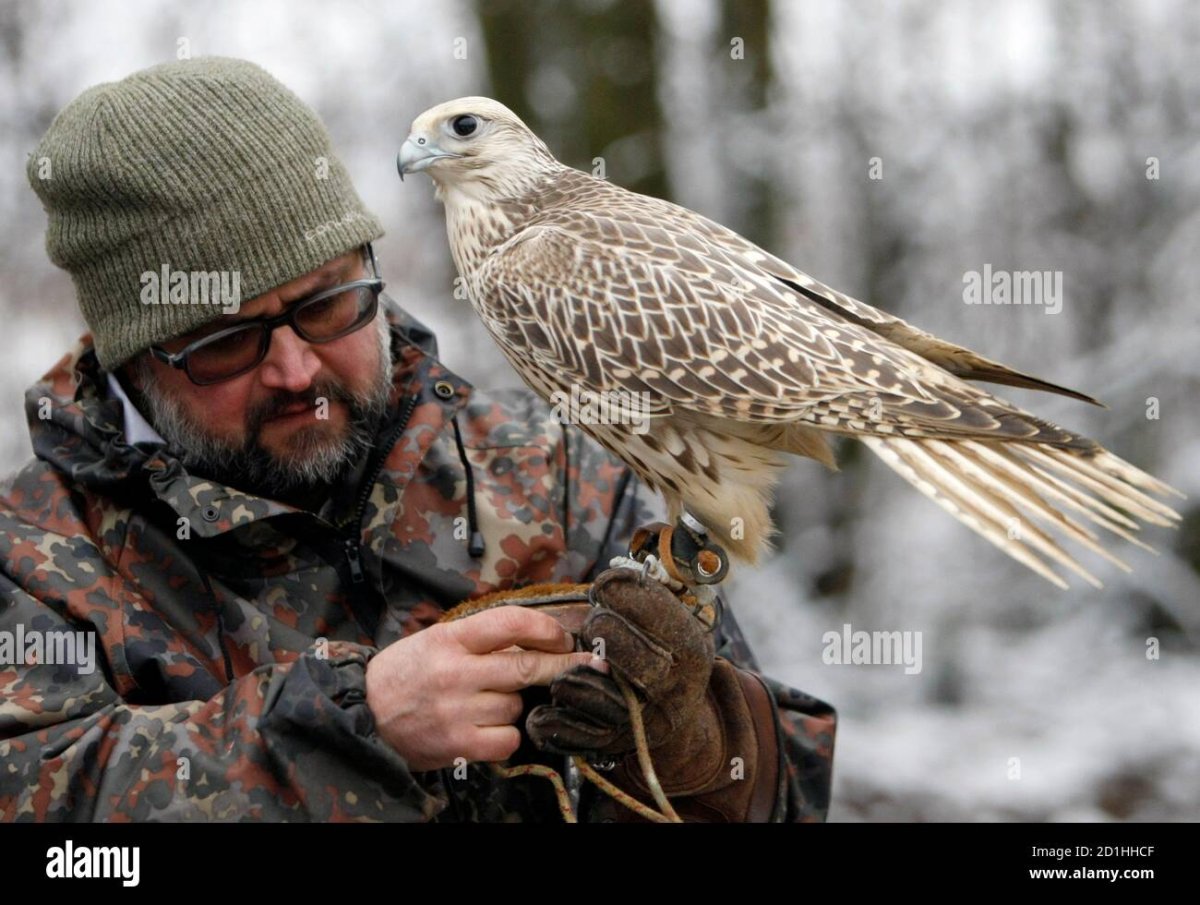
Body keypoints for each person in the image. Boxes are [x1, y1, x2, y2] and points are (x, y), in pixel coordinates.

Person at [0, 56, 835, 822]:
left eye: (327, 303)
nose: (296, 369)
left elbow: (791, 796)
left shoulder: (554, 470)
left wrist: (695, 747)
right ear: (134, 358)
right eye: (226, 341)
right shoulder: (35, 560)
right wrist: (350, 729)